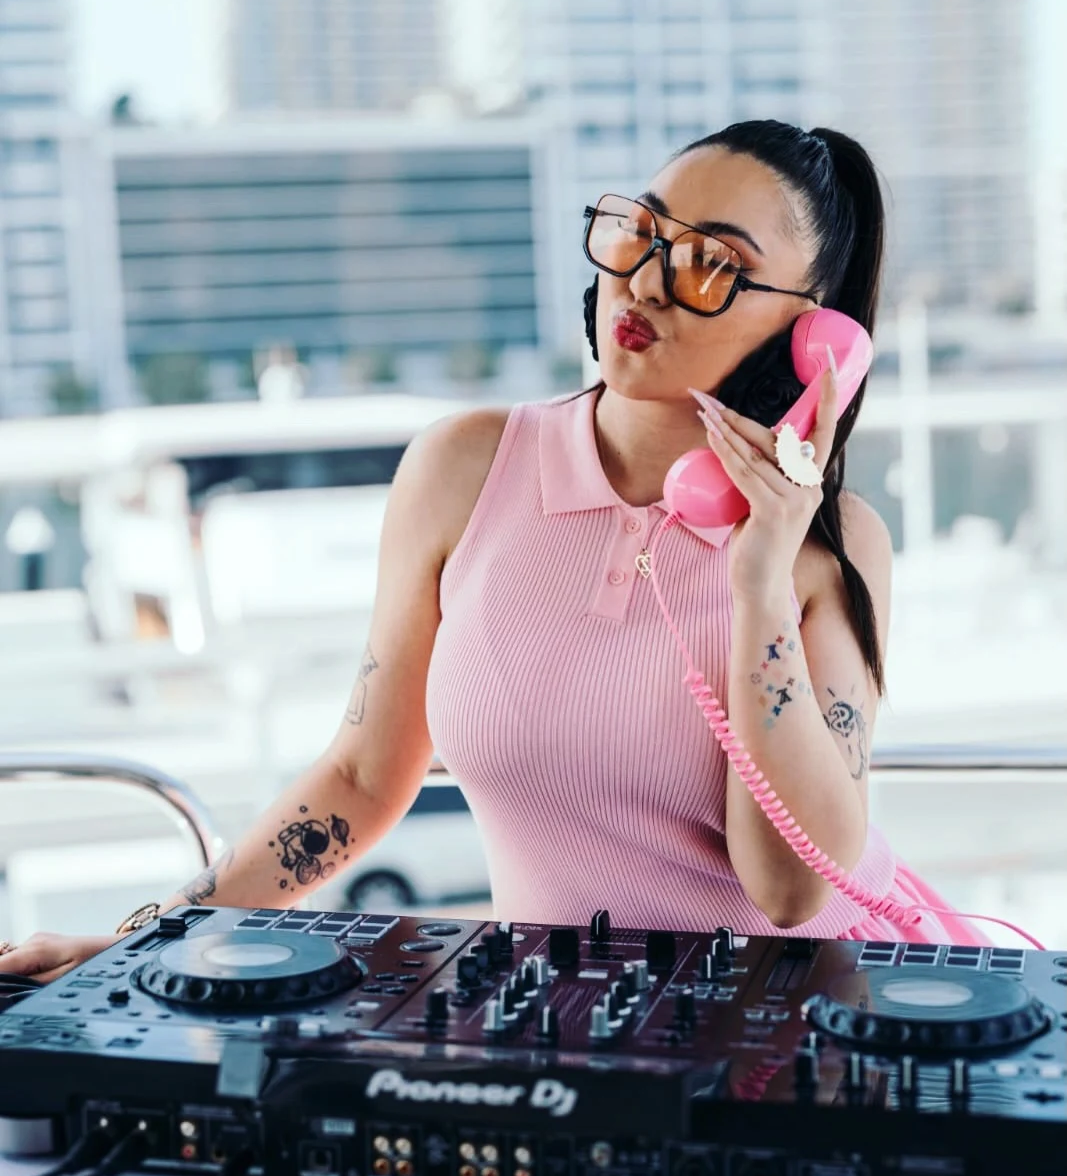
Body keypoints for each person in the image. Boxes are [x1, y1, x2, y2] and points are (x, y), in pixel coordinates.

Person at [0, 120, 984, 983]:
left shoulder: (832, 545)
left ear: (814, 335)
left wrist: (758, 579)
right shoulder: (462, 469)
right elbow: (359, 779)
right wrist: (146, 941)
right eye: (640, 232)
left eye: (709, 264)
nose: (644, 281)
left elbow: (788, 890)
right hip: (555, 1023)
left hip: (799, 1027)